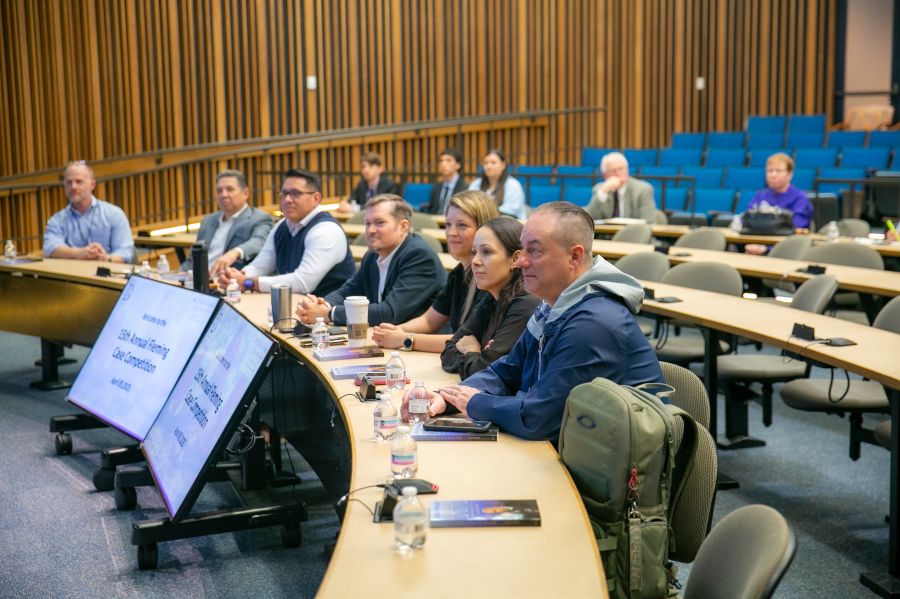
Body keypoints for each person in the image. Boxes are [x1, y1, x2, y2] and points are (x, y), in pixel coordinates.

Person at [402, 201, 663, 441]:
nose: (521, 262)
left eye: (534, 251)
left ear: (574, 256)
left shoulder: (593, 322)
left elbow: (539, 418)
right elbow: (506, 372)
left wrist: (474, 403)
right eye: (523, 249)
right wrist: (445, 398)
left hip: (607, 474)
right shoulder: (551, 307)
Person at [372, 190, 500, 353]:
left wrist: (406, 339)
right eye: (448, 225)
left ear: (484, 229)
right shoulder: (458, 273)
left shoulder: (490, 279)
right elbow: (429, 320)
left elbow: (467, 341)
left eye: (462, 225)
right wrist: (396, 331)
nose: (451, 233)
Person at [296, 194, 446, 326]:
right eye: (368, 223)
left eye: (380, 223)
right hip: (385, 339)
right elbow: (348, 291)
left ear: (403, 227)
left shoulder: (418, 257)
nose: (371, 230)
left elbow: (389, 313)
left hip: (418, 347)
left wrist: (328, 314)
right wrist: (322, 305)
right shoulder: (372, 255)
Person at [219, 168, 354, 294]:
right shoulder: (283, 225)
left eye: (295, 194)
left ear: (316, 198)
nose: (287, 200)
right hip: (296, 307)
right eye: (284, 193)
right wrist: (235, 277)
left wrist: (249, 283)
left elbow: (303, 283)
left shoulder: (326, 231)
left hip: (330, 313)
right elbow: (261, 266)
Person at [440, 218, 540, 379]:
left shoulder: (526, 304)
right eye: (474, 252)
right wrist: (477, 357)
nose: (475, 261)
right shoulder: (492, 296)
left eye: (486, 252)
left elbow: (485, 374)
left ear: (515, 259)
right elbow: (449, 351)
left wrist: (471, 351)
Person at [181, 169, 273, 276]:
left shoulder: (259, 218)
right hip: (198, 281)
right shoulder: (208, 221)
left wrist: (234, 253)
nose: (223, 195)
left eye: (230, 189)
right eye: (219, 191)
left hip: (228, 283)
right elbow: (192, 259)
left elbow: (259, 241)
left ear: (245, 193)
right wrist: (178, 275)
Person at [43, 161, 134, 263]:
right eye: (69, 182)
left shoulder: (114, 214)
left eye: (79, 181)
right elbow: (50, 249)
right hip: (71, 276)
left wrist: (104, 258)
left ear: (92, 184)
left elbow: (126, 253)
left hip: (107, 275)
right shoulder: (57, 220)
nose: (73, 187)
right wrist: (80, 253)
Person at [743, 153, 814, 255]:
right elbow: (748, 221)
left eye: (778, 171)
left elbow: (795, 228)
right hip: (754, 244)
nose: (773, 175)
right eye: (770, 171)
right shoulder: (760, 195)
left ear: (789, 174)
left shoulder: (800, 198)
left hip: (785, 250)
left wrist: (766, 248)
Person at [585, 152, 656, 221]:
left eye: (621, 169)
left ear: (627, 170)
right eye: (613, 170)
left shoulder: (643, 190)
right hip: (606, 232)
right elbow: (588, 221)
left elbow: (648, 222)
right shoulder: (600, 190)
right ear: (604, 175)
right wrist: (603, 192)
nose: (618, 173)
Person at [468, 149, 527, 219]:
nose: (488, 166)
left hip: (508, 222)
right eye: (486, 163)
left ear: (503, 165)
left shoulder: (513, 184)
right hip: (481, 221)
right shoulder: (476, 183)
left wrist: (485, 213)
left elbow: (511, 210)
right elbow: (468, 204)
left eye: (493, 163)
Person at [423, 148, 468, 215]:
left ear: (458, 165)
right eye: (441, 161)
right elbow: (431, 209)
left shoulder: (465, 188)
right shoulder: (436, 187)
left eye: (448, 160)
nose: (443, 164)